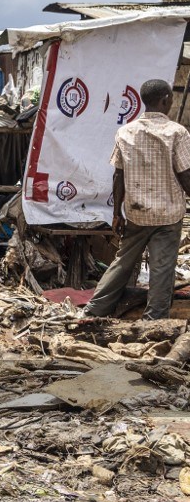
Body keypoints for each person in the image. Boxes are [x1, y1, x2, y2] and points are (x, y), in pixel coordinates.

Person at [86, 79, 190, 321]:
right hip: (168, 213)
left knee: (123, 262)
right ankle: (154, 320)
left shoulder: (126, 132)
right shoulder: (177, 132)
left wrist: (115, 214)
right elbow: (186, 176)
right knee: (162, 268)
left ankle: (95, 309)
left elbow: (118, 175)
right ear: (166, 98)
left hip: (136, 212)